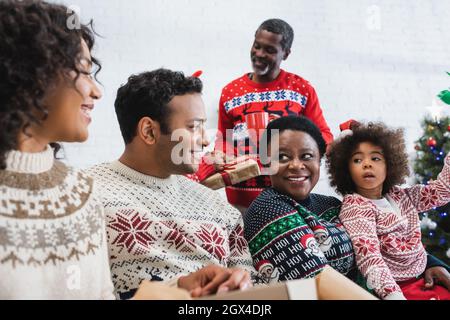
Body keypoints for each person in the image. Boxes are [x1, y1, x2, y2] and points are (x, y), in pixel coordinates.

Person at [0, 0, 190, 300]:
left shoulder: (80, 191)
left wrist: (178, 290)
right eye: (84, 71)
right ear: (31, 73)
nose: (96, 91)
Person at [87, 69, 256, 300]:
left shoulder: (220, 208)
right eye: (193, 127)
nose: (206, 140)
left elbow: (253, 290)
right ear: (149, 131)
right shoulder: (87, 194)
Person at [244, 116, 450, 291]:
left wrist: (429, 265)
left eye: (307, 156)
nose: (297, 165)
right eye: (282, 157)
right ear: (265, 162)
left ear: (319, 161)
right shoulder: (268, 209)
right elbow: (320, 283)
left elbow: (381, 239)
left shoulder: (330, 204)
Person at [195, 19, 333, 212]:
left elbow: (323, 135)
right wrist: (221, 153)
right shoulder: (230, 91)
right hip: (240, 198)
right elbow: (223, 137)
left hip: (287, 197)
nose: (259, 54)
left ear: (286, 53)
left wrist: (297, 153)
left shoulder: (302, 90)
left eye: (269, 50)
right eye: (256, 46)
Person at [327, 121, 450, 300]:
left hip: (424, 278)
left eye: (375, 158)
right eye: (357, 160)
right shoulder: (356, 208)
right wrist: (393, 296)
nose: (367, 164)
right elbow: (370, 259)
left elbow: (441, 192)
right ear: (346, 169)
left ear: (390, 164)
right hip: (397, 289)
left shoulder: (400, 196)